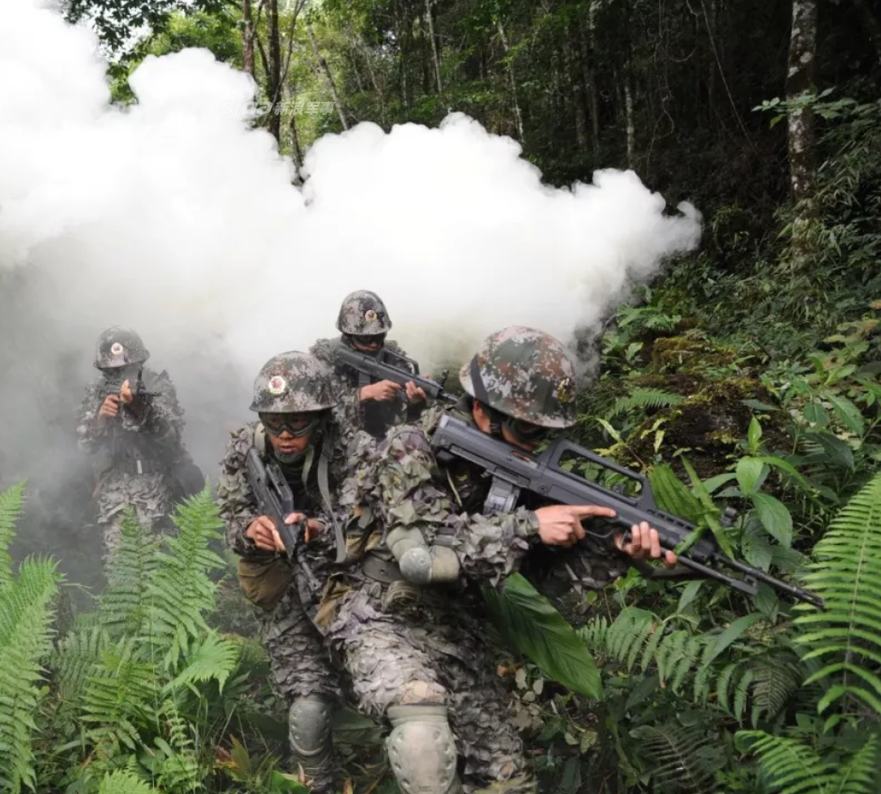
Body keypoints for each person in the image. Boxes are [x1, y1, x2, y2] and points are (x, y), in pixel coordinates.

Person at [324, 325, 677, 794]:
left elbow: (542, 578)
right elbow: (422, 547)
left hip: (455, 626)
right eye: (526, 428)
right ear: (478, 408)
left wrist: (608, 550)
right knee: (422, 739)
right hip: (377, 612)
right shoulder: (410, 445)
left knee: (507, 783)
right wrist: (530, 525)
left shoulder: (520, 474)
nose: (532, 444)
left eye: (543, 433)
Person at [216, 351, 355, 794]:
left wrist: (317, 529)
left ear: (319, 418)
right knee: (308, 703)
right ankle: (317, 783)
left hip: (346, 577)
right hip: (280, 584)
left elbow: (372, 515)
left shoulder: (348, 447)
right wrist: (249, 531)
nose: (285, 435)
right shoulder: (246, 451)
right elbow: (230, 514)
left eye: (298, 422)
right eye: (274, 423)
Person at [76, 326, 200, 559]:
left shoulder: (157, 386)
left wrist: (138, 407)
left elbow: (170, 437)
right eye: (113, 371)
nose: (120, 374)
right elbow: (84, 445)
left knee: (161, 559)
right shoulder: (97, 391)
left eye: (126, 368)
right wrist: (100, 419)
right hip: (116, 483)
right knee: (120, 564)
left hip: (159, 482)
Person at [310, 290, 428, 440]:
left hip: (383, 443)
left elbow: (404, 417)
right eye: (366, 338)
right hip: (335, 443)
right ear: (348, 334)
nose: (374, 344)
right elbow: (316, 411)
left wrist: (413, 401)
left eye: (379, 336)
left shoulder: (392, 356)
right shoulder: (324, 357)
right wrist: (364, 394)